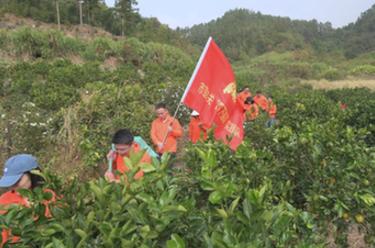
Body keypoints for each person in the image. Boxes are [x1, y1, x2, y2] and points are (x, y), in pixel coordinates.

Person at [0, 154, 56, 246]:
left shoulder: (49, 196)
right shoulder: (3, 200)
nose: (13, 186)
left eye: (17, 181)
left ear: (32, 174)